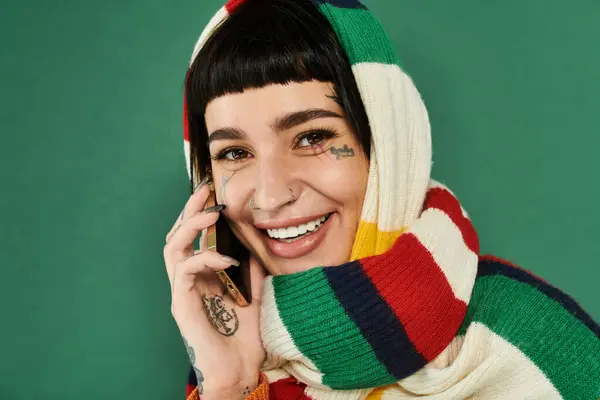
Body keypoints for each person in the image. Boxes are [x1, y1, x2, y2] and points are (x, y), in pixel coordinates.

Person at [162, 0, 600, 399]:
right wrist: (227, 385)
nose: (272, 196)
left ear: (385, 144)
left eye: (312, 137)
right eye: (234, 153)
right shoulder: (236, 348)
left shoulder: (533, 338)